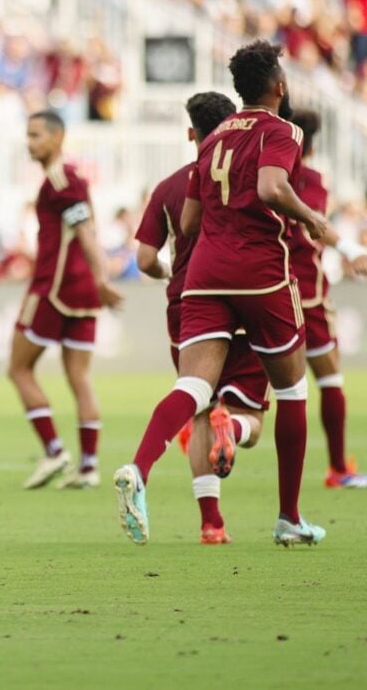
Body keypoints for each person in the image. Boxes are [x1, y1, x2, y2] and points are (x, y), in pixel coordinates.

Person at [114, 40, 330, 547]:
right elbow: (273, 188)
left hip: (205, 274)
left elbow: (188, 222)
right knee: (293, 389)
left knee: (192, 387)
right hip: (261, 272)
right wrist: (312, 217)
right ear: (279, 87)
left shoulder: (212, 142)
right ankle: (289, 518)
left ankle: (139, 468)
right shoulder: (283, 130)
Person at [135, 92, 270, 544]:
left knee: (196, 403)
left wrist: (163, 273)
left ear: (191, 133)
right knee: (251, 412)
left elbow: (145, 257)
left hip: (189, 302)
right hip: (247, 296)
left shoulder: (171, 186)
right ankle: (232, 428)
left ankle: (211, 523)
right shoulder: (252, 175)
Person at [9, 111, 122, 490]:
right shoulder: (67, 179)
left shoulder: (61, 179)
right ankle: (89, 466)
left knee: (19, 369)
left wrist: (103, 276)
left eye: (36, 134)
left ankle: (55, 451)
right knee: (80, 376)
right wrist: (98, 282)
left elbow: (85, 232)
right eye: (28, 134)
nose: (30, 142)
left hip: (53, 289)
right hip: (83, 291)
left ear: (58, 138)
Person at [288, 109, 367, 488]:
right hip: (306, 292)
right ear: (312, 144)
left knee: (249, 380)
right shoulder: (310, 179)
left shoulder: (260, 174)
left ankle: (223, 425)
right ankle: (337, 467)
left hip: (259, 289)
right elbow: (314, 226)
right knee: (329, 378)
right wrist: (350, 248)